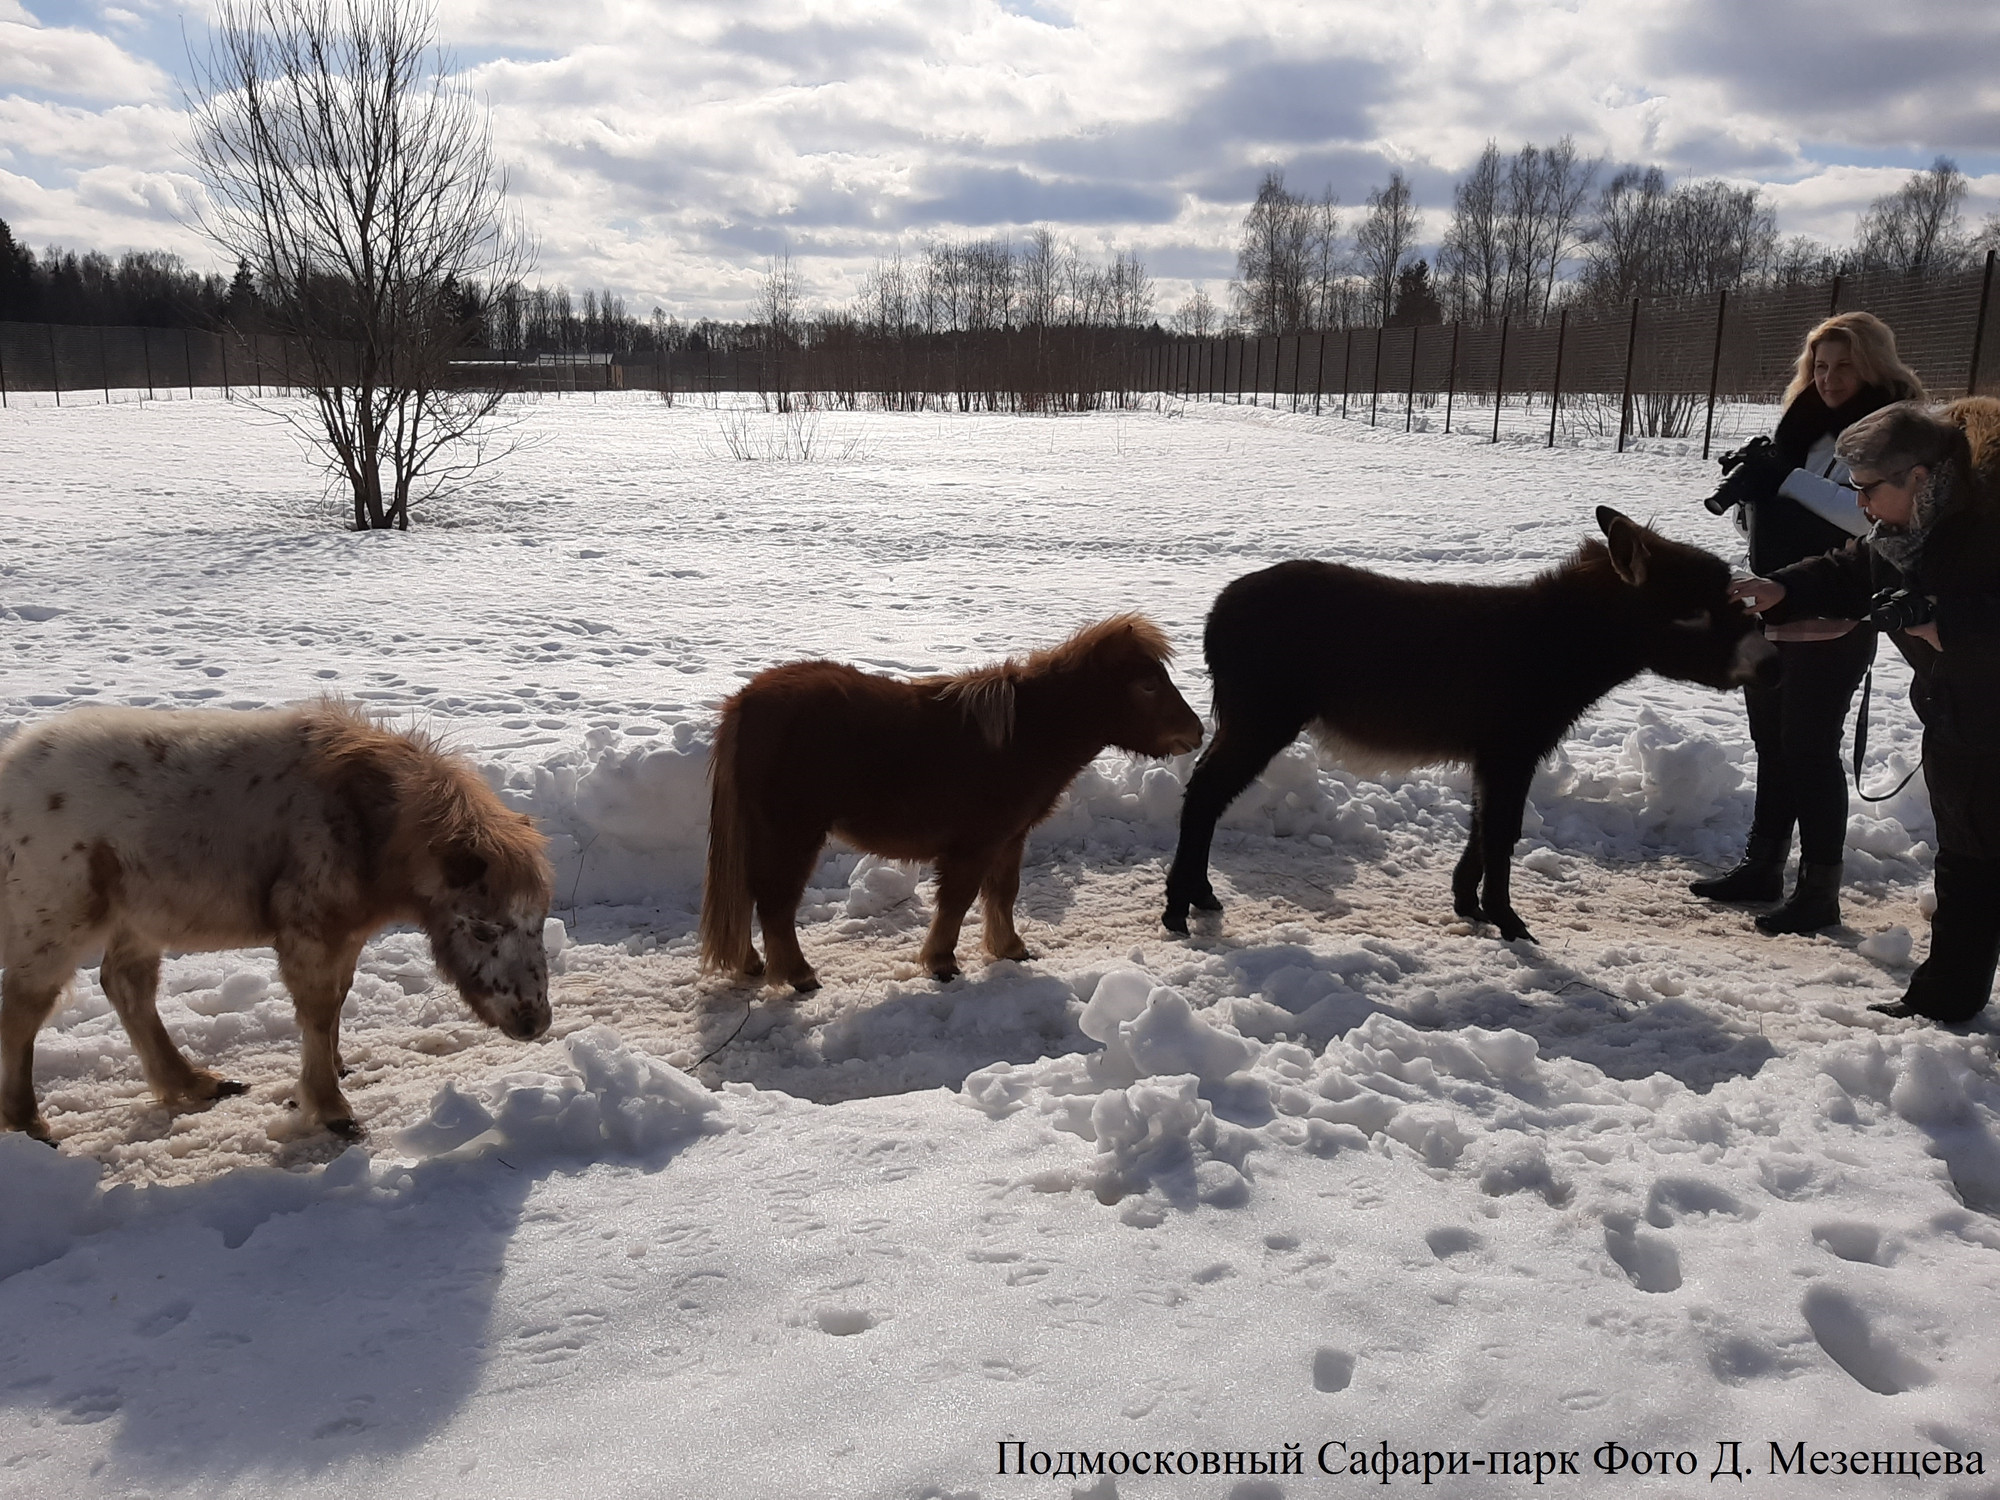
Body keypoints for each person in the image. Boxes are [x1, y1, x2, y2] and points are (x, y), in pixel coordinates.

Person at [1734, 399, 2000, 1023]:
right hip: (1964, 726)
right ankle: (1944, 1001)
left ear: (1919, 478)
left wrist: (1952, 624)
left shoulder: (1988, 528)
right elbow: (1854, 566)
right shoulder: (1909, 532)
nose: (1858, 505)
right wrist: (1785, 588)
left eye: (1867, 489)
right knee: (1968, 861)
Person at [1691, 313, 1926, 934]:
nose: (1829, 378)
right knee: (1772, 743)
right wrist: (1751, 497)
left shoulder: (1894, 430)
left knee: (1810, 748)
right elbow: (1767, 523)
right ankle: (1762, 865)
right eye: (1820, 366)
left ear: (1873, 364)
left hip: (1837, 610)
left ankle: (1819, 891)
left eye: (1845, 365)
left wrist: (1787, 480)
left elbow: (1867, 521)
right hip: (1772, 601)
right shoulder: (1805, 429)